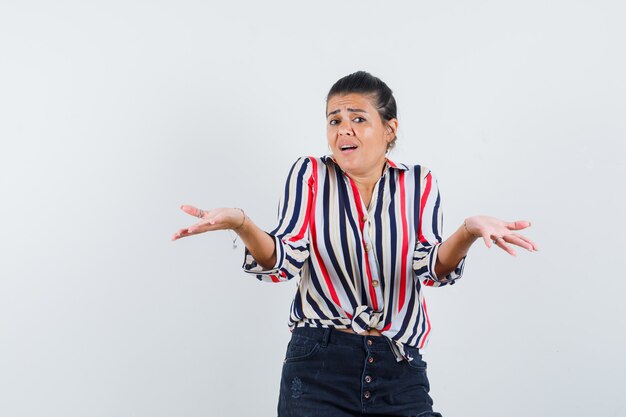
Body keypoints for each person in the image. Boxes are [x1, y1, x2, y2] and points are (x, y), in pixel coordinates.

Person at [172, 71, 537, 417]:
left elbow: (431, 269)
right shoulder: (310, 174)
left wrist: (467, 231)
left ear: (389, 129)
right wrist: (242, 223)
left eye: (358, 118)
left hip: (399, 367)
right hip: (319, 364)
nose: (344, 128)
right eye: (334, 120)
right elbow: (283, 259)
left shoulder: (419, 183)